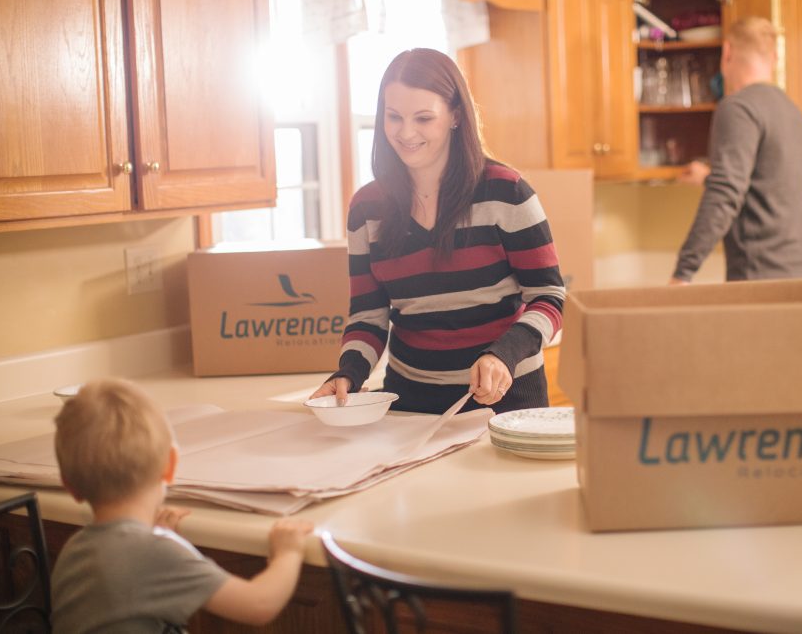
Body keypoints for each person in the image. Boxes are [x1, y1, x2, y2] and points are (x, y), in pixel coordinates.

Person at [311, 48, 565, 414]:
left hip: (504, 397)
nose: (406, 132)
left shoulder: (505, 192)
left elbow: (549, 296)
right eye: (393, 117)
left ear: (455, 116)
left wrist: (503, 355)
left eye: (424, 118)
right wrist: (348, 373)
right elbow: (368, 315)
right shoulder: (367, 208)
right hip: (410, 401)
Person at [51, 378, 314, 633]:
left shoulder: (73, 551)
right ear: (170, 466)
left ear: (69, 485)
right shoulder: (154, 554)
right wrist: (288, 552)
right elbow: (259, 605)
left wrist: (162, 538)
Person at [669, 16, 802, 284]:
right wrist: (707, 177)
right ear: (774, 58)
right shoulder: (792, 111)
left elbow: (725, 193)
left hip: (761, 279)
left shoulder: (738, 108)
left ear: (727, 51)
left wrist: (683, 271)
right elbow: (765, 187)